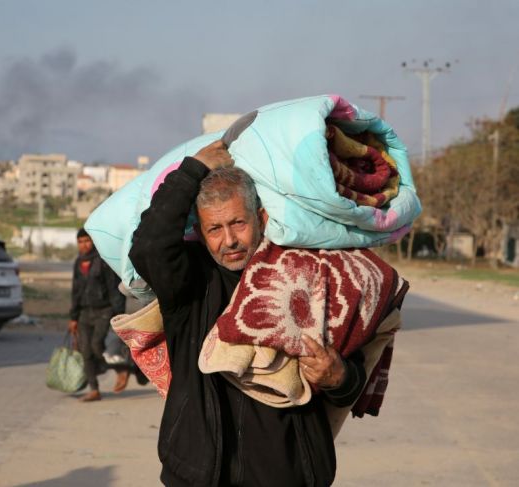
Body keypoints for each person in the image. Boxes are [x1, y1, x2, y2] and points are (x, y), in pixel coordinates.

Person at [129, 140, 367, 487]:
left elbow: (352, 376)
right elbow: (149, 246)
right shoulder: (191, 284)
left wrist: (339, 377)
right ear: (200, 232)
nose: (229, 240)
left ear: (261, 218)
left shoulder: (309, 276)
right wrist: (193, 168)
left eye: (238, 223)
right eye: (215, 229)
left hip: (290, 475)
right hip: (200, 475)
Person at [69, 228, 128, 402]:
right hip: (84, 313)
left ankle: (120, 368)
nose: (84, 245)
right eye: (80, 242)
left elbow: (114, 288)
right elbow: (75, 291)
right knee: (85, 351)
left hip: (104, 310)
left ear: (93, 241)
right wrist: (73, 317)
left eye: (87, 241)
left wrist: (119, 314)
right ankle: (94, 389)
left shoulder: (103, 261)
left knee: (96, 344)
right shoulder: (78, 263)